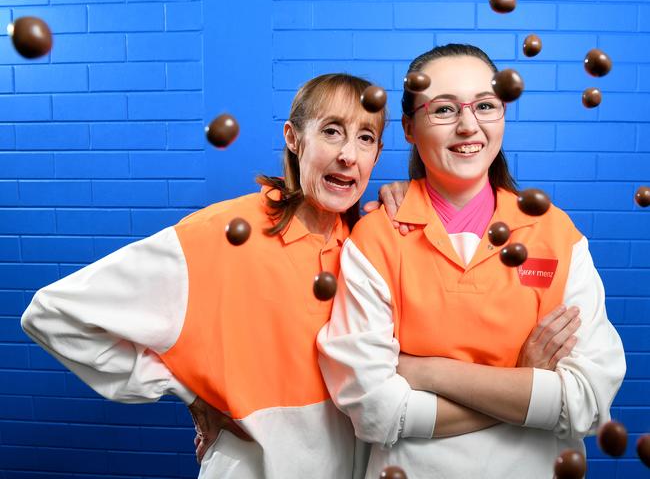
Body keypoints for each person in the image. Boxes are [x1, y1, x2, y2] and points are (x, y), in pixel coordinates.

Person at [21, 72, 396, 479]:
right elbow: (51, 314)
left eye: (365, 137)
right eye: (331, 131)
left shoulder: (368, 247)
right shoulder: (225, 234)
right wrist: (191, 394)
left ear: (376, 154)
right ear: (293, 138)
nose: (348, 155)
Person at [317, 44, 626, 478]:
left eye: (485, 106)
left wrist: (428, 371)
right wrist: (520, 382)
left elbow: (587, 403)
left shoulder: (556, 234)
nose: (468, 126)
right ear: (408, 126)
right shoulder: (376, 239)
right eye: (443, 110)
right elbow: (376, 412)